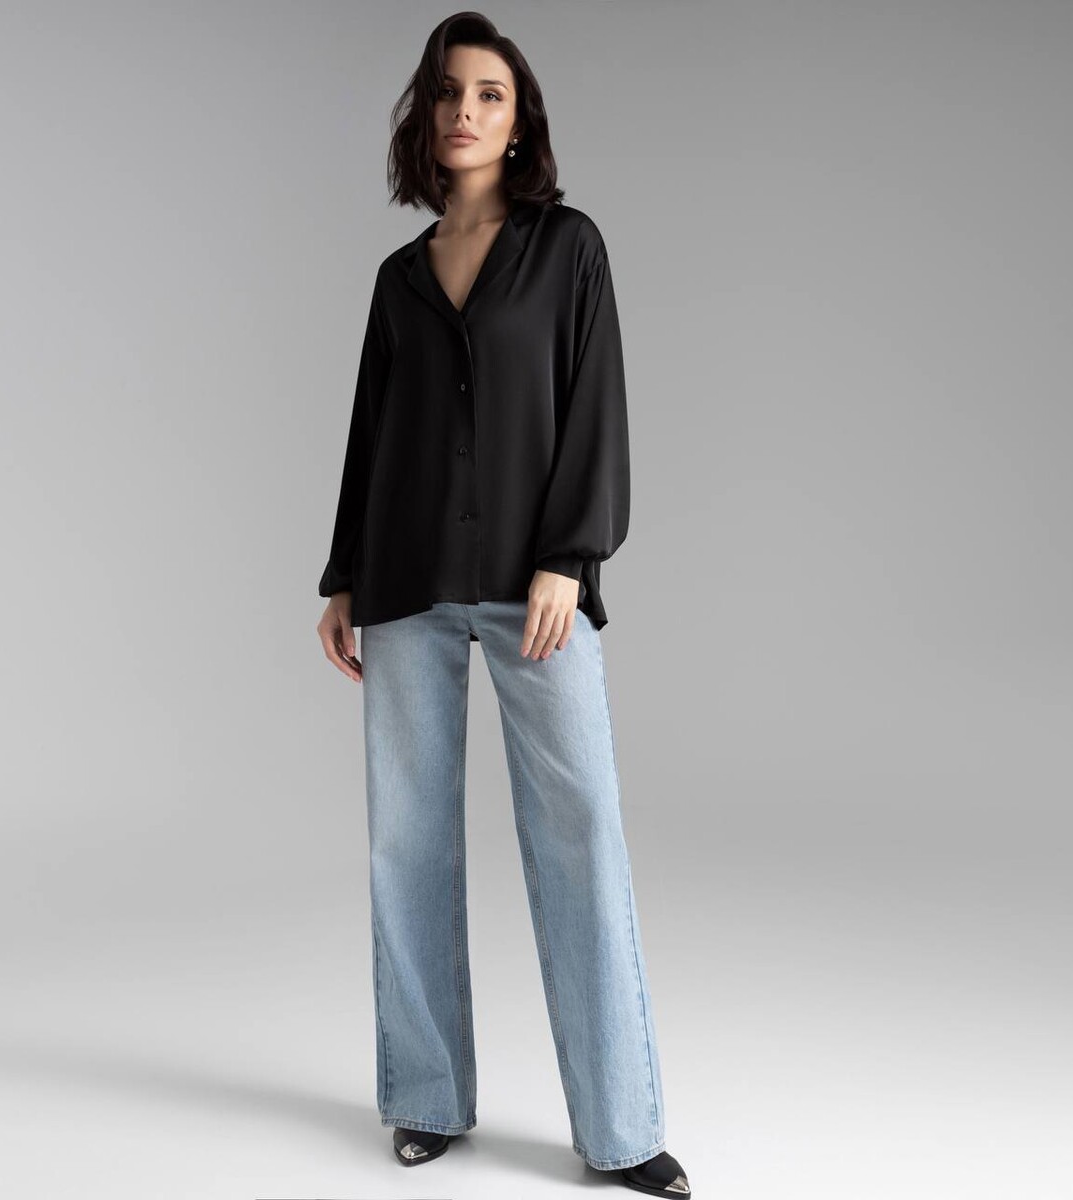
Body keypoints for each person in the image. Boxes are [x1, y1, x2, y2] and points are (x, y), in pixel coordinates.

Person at [315, 12, 691, 1197]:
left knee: (581, 833)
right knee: (406, 839)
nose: (465, 111)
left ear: (520, 120)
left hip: (536, 587)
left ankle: (622, 1128)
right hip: (406, 581)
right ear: (425, 118)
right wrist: (342, 575)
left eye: (488, 93)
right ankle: (427, 1098)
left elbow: (597, 405)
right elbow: (373, 435)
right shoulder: (398, 279)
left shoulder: (568, 248)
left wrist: (570, 558)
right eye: (447, 93)